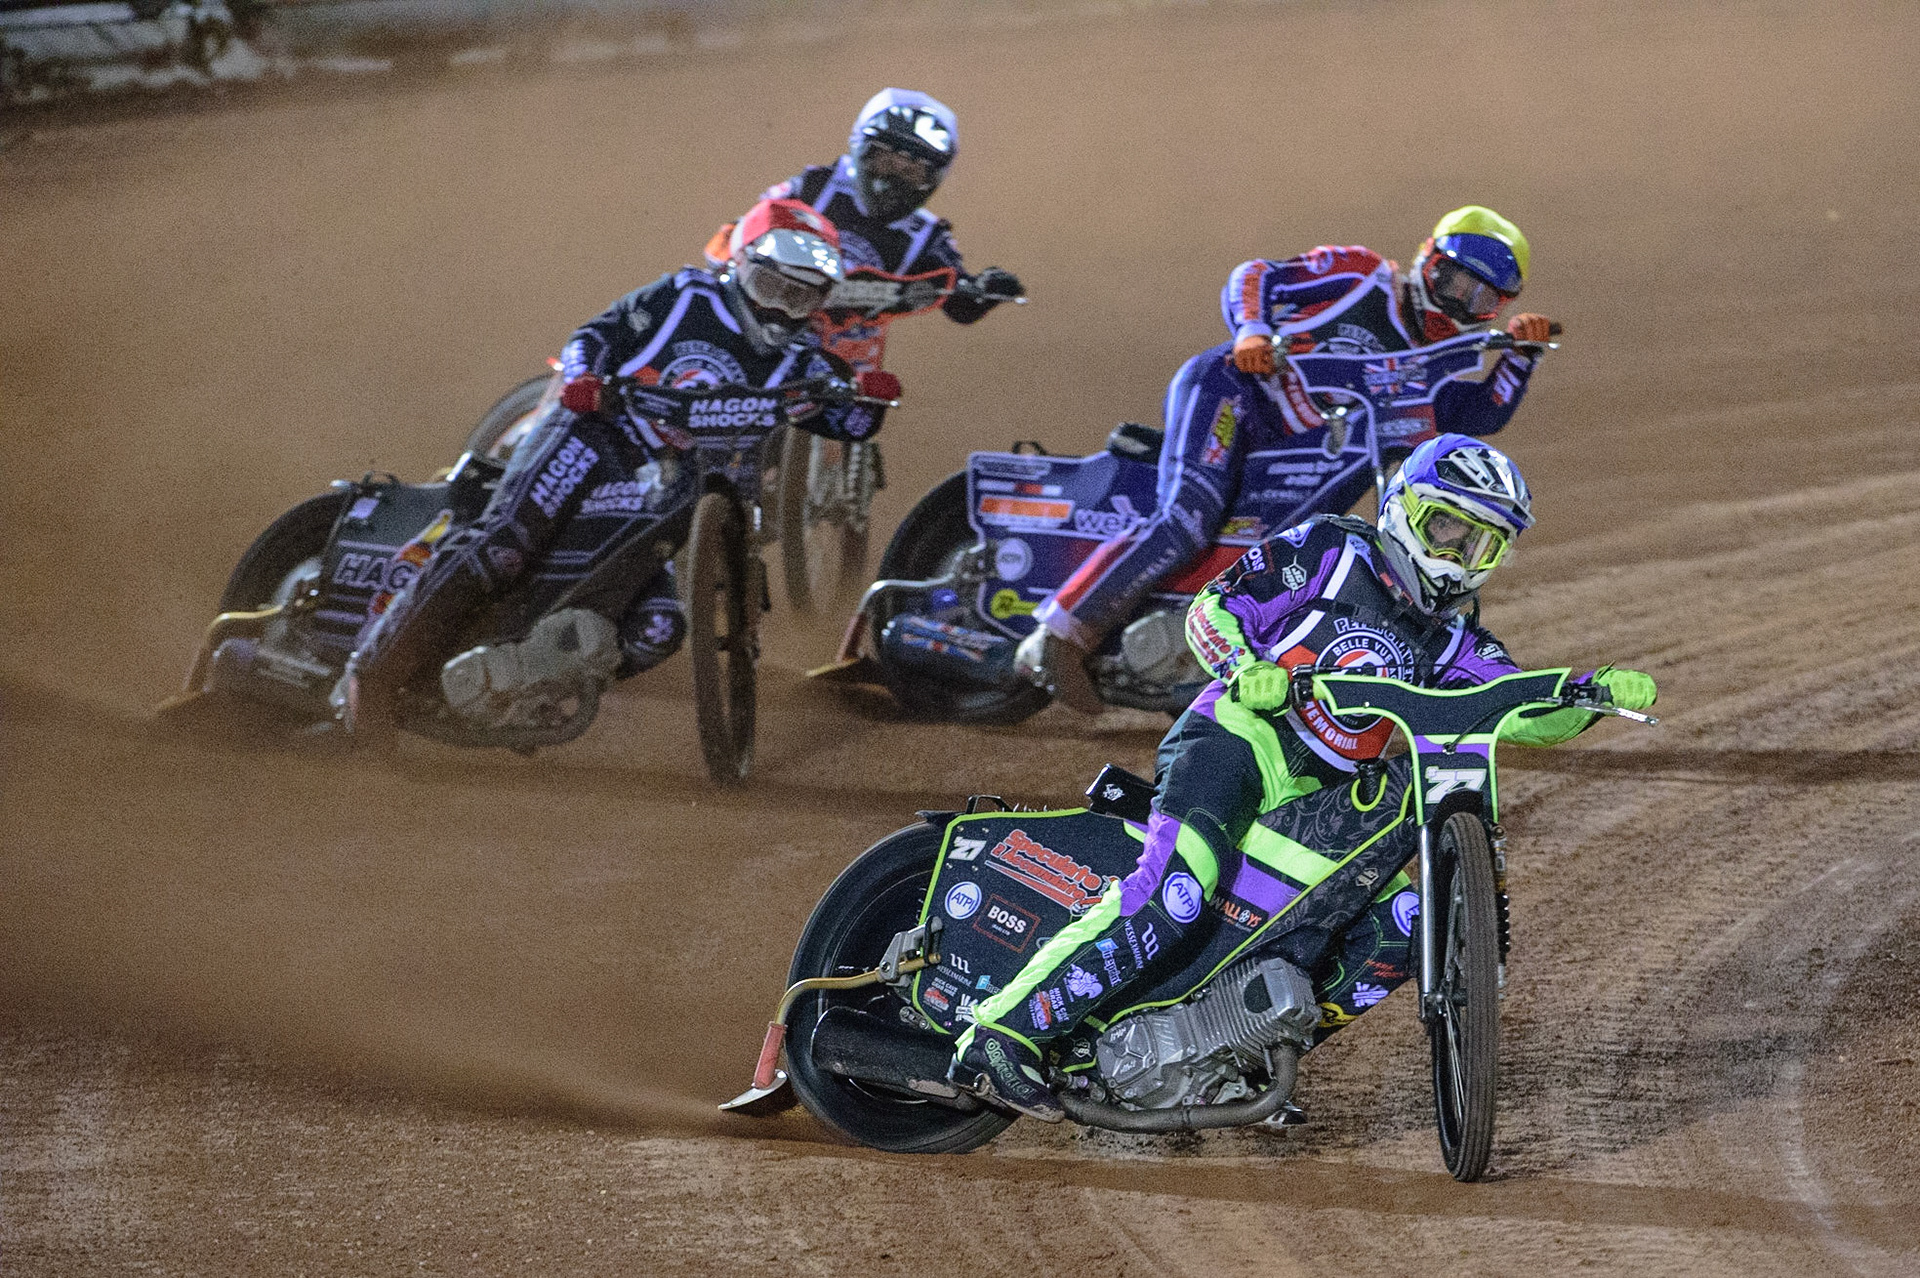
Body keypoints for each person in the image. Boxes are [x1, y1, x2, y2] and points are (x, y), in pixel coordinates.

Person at [952, 435, 1657, 1120]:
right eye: (1444, 528)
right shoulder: (1332, 550)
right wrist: (1244, 667)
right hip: (1236, 741)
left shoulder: (1454, 640)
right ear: (1403, 508)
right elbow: (1213, 607)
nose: (1457, 556)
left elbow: (1514, 710)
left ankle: (1236, 1059)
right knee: (1178, 890)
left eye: (1480, 544)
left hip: (1318, 803)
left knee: (1404, 928)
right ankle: (1002, 1034)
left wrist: (1588, 693)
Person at [342, 198, 892, 739]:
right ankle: (372, 672)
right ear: (741, 266)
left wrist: (866, 405)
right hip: (598, 436)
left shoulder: (802, 358)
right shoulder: (682, 297)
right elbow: (595, 337)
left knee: (658, 629)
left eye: (802, 298)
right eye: (773, 289)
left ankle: (524, 680)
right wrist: (585, 378)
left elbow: (846, 418)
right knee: (507, 541)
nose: (781, 310)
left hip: (669, 487)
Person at [1017, 206, 1554, 713]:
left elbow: (1475, 416)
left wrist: (1520, 358)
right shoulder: (1362, 277)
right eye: (1453, 283)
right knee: (1188, 519)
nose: (1460, 304)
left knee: (1285, 555)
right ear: (1426, 260)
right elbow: (1255, 276)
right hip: (1236, 394)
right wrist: (1251, 330)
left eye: (1482, 298)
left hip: (1306, 449)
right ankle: (1058, 636)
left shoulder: (1443, 360)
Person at [704, 88, 1024, 377]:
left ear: (933, 178)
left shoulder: (926, 236)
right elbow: (734, 238)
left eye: (910, 170)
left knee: (851, 427)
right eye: (886, 160)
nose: (892, 179)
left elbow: (957, 301)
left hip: (843, 371)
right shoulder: (815, 187)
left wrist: (983, 289)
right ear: (861, 150)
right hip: (761, 338)